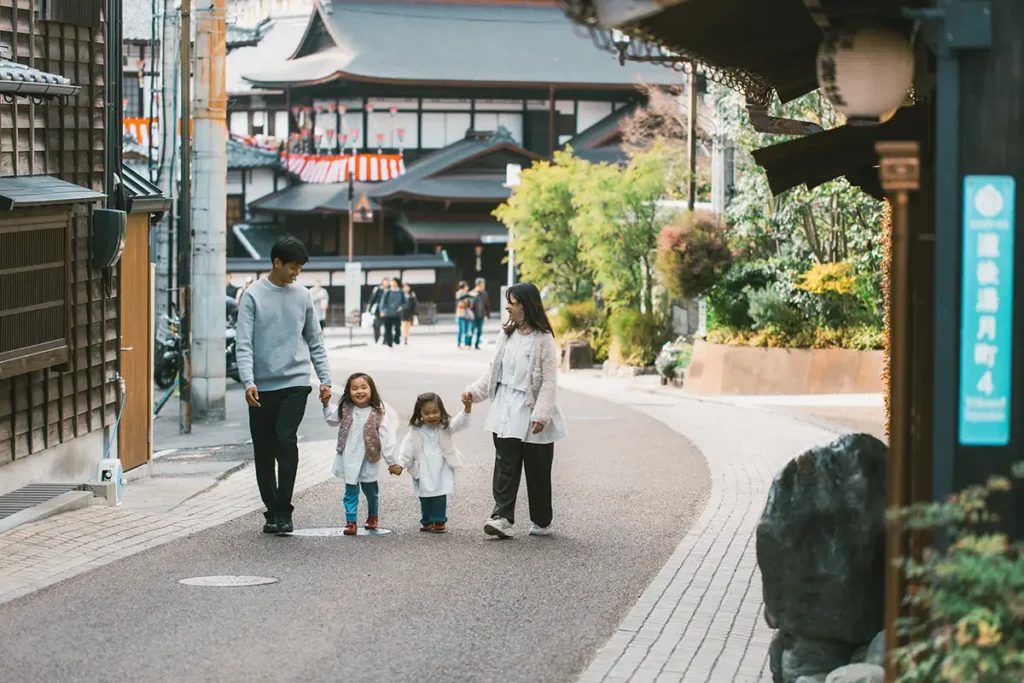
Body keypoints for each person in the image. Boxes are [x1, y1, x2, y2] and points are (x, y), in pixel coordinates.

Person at [236, 236, 332, 535]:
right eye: (293, 267)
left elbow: (315, 340)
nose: (296, 273)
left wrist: (325, 378)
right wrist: (248, 380)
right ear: (276, 263)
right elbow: (244, 344)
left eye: (300, 268)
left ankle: (284, 510)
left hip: (295, 382)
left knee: (285, 440)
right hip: (262, 387)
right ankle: (272, 511)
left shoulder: (302, 295)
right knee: (263, 451)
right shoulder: (253, 296)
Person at [462, 282, 567, 539]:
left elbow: (549, 381)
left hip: (530, 409)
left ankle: (541, 520)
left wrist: (541, 414)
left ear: (525, 305)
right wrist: (473, 393)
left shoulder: (543, 339)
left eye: (512, 302)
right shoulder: (505, 335)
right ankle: (502, 518)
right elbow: (493, 371)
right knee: (505, 466)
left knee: (538, 469)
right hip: (505, 409)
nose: (507, 306)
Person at [323, 372, 402, 535]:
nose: (359, 391)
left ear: (371, 390)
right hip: (348, 457)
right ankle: (350, 521)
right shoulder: (345, 409)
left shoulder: (378, 413)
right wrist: (326, 404)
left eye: (364, 387)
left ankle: (373, 516)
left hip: (368, 459)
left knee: (371, 491)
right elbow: (331, 420)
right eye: (355, 388)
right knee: (350, 490)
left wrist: (392, 461)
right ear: (349, 392)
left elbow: (387, 439)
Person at [397, 392, 473, 533]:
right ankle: (426, 520)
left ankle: (438, 520)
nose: (431, 416)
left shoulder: (445, 426)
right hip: (423, 466)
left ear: (441, 411)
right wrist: (401, 464)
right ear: (419, 414)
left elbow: (459, 423)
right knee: (424, 494)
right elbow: (407, 448)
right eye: (426, 413)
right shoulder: (416, 430)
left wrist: (467, 409)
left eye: (435, 412)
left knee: (439, 493)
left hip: (441, 465)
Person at [379, 278, 405, 347]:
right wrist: (382, 310)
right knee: (388, 329)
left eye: (395, 282)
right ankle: (389, 343)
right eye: (392, 282)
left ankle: (396, 338)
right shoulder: (388, 292)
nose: (393, 283)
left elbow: (405, 302)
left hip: (397, 314)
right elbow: (383, 302)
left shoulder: (400, 292)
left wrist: (401, 307)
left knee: (397, 329)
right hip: (388, 313)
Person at [366, 278, 391, 344]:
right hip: (378, 310)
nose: (386, 283)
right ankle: (377, 337)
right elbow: (372, 299)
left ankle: (386, 340)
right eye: (385, 282)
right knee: (377, 324)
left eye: (387, 282)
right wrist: (369, 309)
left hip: (388, 310)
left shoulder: (390, 290)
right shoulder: (378, 289)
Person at [471, 278, 491, 350]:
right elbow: (469, 305)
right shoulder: (472, 293)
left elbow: (487, 305)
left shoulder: (485, 293)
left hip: (481, 315)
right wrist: (473, 298)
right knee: (471, 330)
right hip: (473, 316)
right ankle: (469, 344)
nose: (484, 286)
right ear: (478, 285)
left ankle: (476, 344)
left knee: (479, 330)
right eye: (483, 284)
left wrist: (487, 316)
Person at [455, 281, 475, 349]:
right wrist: (468, 295)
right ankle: (459, 343)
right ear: (463, 287)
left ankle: (466, 343)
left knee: (467, 329)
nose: (468, 288)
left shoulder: (467, 294)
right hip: (461, 313)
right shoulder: (459, 293)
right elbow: (459, 298)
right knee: (461, 330)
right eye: (466, 286)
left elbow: (469, 304)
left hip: (466, 314)